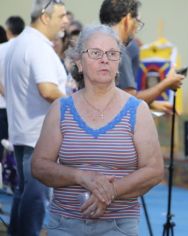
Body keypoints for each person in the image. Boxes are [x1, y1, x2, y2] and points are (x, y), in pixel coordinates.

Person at [31, 24, 164, 236]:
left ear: (119, 62)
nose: (105, 59)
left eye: (112, 53)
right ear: (79, 63)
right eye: (95, 53)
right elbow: (39, 166)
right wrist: (81, 176)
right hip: (64, 224)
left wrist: (110, 191)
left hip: (119, 226)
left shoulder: (137, 110)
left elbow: (154, 170)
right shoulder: (61, 109)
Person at [4, 0, 69, 235]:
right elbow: (48, 90)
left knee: (24, 196)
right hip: (38, 136)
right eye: (61, 15)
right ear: (45, 17)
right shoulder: (38, 47)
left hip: (23, 132)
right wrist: (78, 107)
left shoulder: (20, 43)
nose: (66, 20)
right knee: (35, 200)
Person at [99, 0, 184, 114]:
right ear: (128, 19)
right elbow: (129, 102)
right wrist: (166, 84)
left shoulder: (92, 46)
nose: (135, 31)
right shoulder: (117, 50)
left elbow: (112, 97)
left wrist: (151, 103)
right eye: (137, 22)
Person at [0, 16, 25, 161]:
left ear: (8, 30)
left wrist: (7, 95)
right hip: (21, 108)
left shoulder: (2, 49)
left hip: (2, 105)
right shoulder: (26, 49)